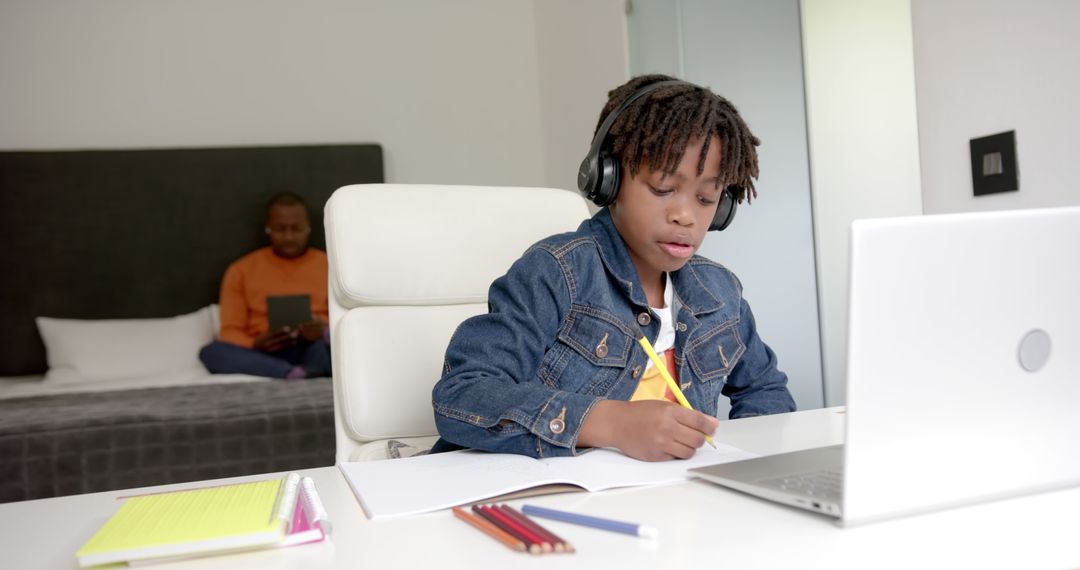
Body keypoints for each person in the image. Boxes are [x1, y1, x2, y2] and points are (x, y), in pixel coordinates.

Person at [431, 74, 795, 461]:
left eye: (707, 198)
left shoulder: (720, 293)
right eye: (662, 189)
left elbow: (766, 391)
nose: (686, 215)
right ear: (609, 178)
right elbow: (463, 394)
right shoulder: (558, 273)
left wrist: (743, 461)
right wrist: (611, 423)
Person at [199, 192, 332, 379]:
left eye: (296, 228)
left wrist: (324, 330)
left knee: (334, 349)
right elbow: (229, 331)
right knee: (211, 352)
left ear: (308, 227)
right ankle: (291, 373)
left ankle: (301, 370)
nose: (288, 237)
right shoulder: (241, 270)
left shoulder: (331, 266)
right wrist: (256, 343)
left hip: (314, 346)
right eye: (280, 229)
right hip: (264, 351)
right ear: (268, 229)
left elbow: (352, 323)